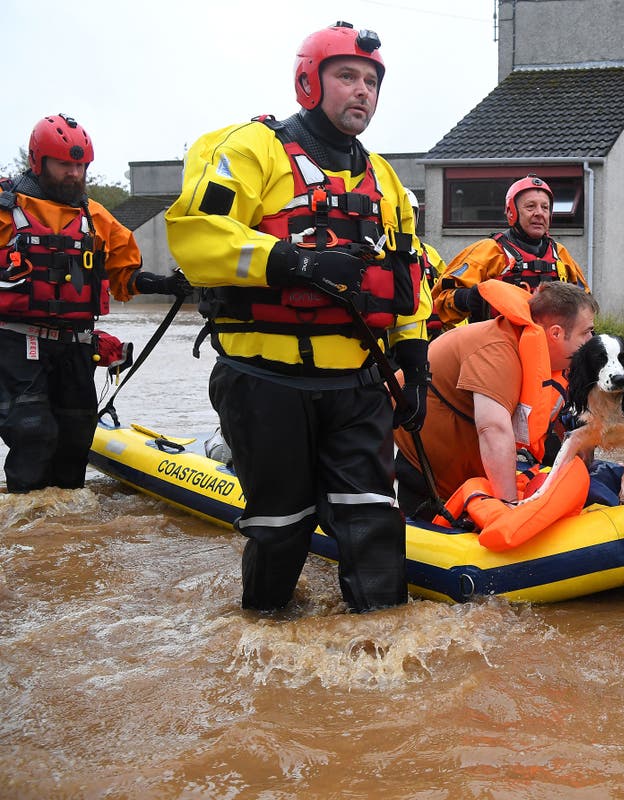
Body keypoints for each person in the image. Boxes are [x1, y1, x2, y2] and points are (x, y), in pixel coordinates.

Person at [165, 22, 429, 614]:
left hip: (358, 385)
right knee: (281, 528)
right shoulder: (250, 149)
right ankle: (266, 645)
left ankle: (384, 662)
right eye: (347, 76)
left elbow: (409, 280)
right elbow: (196, 236)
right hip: (266, 380)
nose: (362, 91)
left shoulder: (384, 179)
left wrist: (416, 360)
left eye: (371, 81)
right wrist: (292, 261)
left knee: (375, 529)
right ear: (309, 82)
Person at [0, 113, 191, 493]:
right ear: (38, 162)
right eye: (65, 164)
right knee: (33, 431)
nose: (74, 173)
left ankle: (65, 523)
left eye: (80, 165)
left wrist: (164, 283)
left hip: (75, 344)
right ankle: (27, 523)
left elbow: (124, 275)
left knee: (76, 436)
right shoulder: (7, 211)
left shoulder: (96, 218)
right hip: (17, 342)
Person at [395, 279, 597, 513]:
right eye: (587, 332)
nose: (591, 341)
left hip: (464, 477)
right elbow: (493, 430)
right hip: (418, 471)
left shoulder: (545, 358)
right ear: (556, 333)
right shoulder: (497, 349)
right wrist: (510, 508)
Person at [432, 174, 589, 325]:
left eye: (545, 207)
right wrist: (468, 298)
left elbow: (585, 304)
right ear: (511, 212)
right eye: (530, 206)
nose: (539, 213)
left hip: (549, 346)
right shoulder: (489, 251)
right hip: (499, 345)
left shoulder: (560, 254)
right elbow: (438, 301)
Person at [406, 188, 451, 339]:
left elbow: (448, 287)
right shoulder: (378, 253)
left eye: (409, 213)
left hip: (433, 335)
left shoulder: (429, 253)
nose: (406, 218)